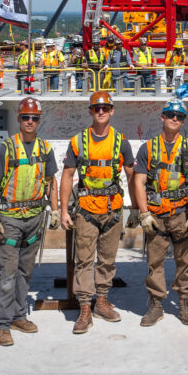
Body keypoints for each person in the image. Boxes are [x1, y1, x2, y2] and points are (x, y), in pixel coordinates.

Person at [0, 98, 60, 346]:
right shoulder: (5, 149)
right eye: (26, 117)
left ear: (39, 120)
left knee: (25, 272)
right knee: (7, 274)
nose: (30, 121)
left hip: (35, 218)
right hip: (10, 220)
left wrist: (55, 210)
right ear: (19, 119)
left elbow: (51, 181)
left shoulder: (45, 149)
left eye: (34, 118)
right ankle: (2, 325)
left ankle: (18, 315)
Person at [60, 91, 136, 333]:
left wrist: (135, 208)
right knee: (83, 260)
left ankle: (101, 301)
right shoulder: (78, 141)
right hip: (86, 210)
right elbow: (68, 176)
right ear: (90, 112)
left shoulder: (121, 141)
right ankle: (85, 307)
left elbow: (132, 175)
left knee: (107, 259)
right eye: (96, 109)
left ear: (112, 111)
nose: (101, 112)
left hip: (112, 210)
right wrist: (63, 210)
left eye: (105, 108)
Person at [133, 98, 188, 327]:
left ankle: (184, 303)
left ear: (183, 121)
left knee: (185, 261)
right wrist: (143, 213)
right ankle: (156, 305)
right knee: (155, 263)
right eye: (170, 115)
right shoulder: (148, 148)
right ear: (162, 117)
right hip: (156, 216)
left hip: (181, 215)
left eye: (180, 116)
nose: (175, 119)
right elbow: (139, 181)